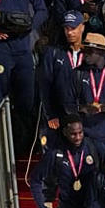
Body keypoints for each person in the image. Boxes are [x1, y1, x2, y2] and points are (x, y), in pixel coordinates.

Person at [62, 32, 105, 145]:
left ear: (101, 52)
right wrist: (82, 109)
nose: (85, 54)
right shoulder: (77, 74)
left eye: (90, 51)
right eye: (84, 50)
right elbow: (67, 105)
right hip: (86, 138)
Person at [37, 10, 85, 151]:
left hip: (84, 116)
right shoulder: (53, 53)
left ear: (82, 27)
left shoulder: (90, 53)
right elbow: (45, 86)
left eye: (73, 28)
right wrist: (50, 115)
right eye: (66, 28)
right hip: (60, 115)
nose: (69, 32)